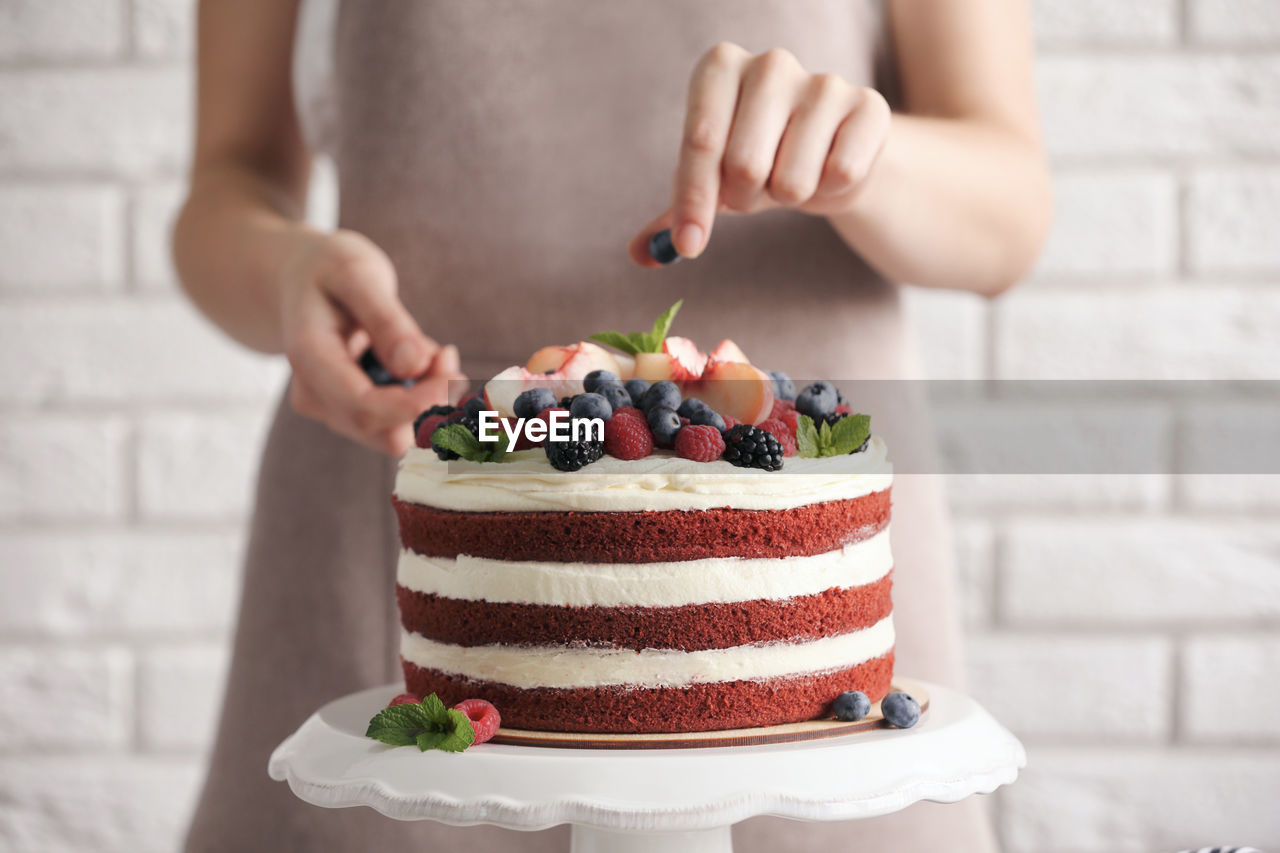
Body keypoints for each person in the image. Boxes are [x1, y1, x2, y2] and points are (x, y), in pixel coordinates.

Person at [175, 1, 1050, 850]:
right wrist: (283, 271)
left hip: (794, 517)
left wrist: (866, 160)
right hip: (426, 474)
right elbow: (228, 178)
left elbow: (1009, 218)